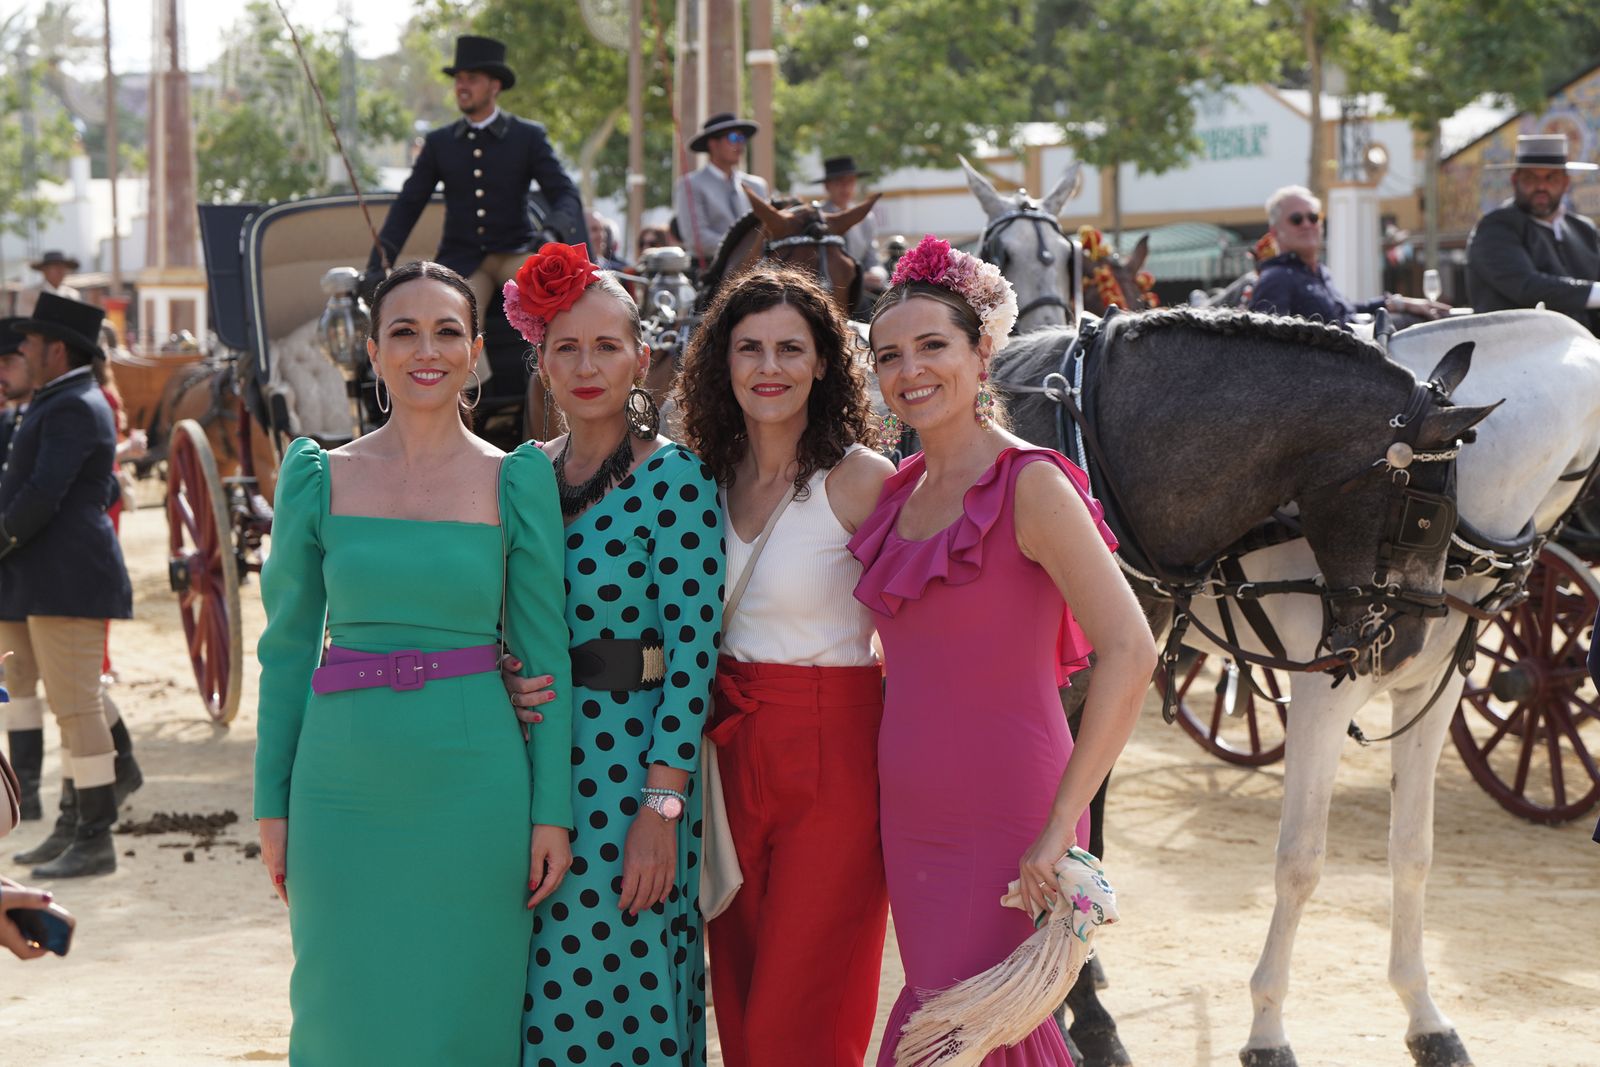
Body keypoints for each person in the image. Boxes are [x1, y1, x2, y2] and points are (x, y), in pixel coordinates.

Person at [253, 261, 573, 1063]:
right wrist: (271, 801)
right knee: (338, 1009)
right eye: (403, 331)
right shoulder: (318, 477)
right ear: (371, 350)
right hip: (339, 788)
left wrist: (551, 812)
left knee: (466, 1010)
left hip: (477, 790)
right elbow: (287, 652)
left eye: (446, 331)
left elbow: (545, 656)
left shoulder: (517, 479)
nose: (425, 350)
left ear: (475, 352)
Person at [855, 236, 1156, 1065]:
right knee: (956, 1019)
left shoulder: (1033, 483)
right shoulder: (890, 494)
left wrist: (1063, 824)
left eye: (932, 346)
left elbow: (1131, 648)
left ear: (980, 352)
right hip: (911, 814)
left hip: (1012, 811)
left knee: (979, 1025)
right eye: (889, 354)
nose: (910, 369)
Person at [496, 242, 723, 1065]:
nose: (586, 365)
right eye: (566, 347)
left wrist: (661, 809)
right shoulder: (519, 475)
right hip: (525, 764)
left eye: (605, 345)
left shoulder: (677, 480)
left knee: (617, 983)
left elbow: (694, 655)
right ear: (542, 361)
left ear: (642, 357)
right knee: (529, 988)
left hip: (631, 769)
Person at [671, 265, 895, 1066]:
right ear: (720, 363)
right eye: (749, 348)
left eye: (790, 349)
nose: (769, 368)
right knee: (737, 993)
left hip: (834, 750)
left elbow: (924, 631)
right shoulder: (699, 480)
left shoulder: (863, 480)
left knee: (800, 1008)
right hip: (726, 747)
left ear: (825, 363)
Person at [0, 295, 136, 879]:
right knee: (71, 700)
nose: (20, 355)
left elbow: (42, 495)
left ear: (56, 350)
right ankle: (74, 819)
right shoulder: (57, 400)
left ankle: (94, 836)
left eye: (28, 346)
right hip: (47, 575)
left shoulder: (74, 405)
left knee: (77, 706)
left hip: (69, 575)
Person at [365, 35, 584, 350]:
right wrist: (379, 262)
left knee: (557, 308)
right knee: (448, 318)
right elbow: (409, 204)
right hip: (463, 257)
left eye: (472, 79)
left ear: (495, 86)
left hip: (516, 250)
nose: (461, 86)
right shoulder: (441, 142)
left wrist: (551, 232)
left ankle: (548, 389)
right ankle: (469, 394)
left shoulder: (527, 136)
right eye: (458, 79)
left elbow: (565, 192)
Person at [1248, 185, 1446, 325]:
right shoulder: (1276, 279)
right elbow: (1264, 353)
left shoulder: (1318, 272)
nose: (1307, 224)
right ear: (1274, 231)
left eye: (1313, 217)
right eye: (1296, 219)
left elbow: (1343, 312)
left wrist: (1401, 303)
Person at [1467, 133, 1600, 333]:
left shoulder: (1583, 230)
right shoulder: (1495, 227)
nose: (1541, 186)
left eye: (1551, 178)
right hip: (1513, 352)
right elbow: (1528, 287)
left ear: (1565, 183)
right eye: (1530, 178)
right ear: (1515, 180)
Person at [673, 112, 770, 264]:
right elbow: (697, 239)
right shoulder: (691, 185)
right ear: (713, 144)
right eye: (733, 138)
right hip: (711, 272)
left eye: (742, 138)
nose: (740, 145)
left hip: (756, 268)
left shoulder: (757, 186)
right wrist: (743, 247)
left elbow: (766, 229)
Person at [13, 251, 82, 318]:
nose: (60, 271)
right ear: (45, 270)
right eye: (56, 267)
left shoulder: (73, 294)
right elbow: (26, 321)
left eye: (63, 267)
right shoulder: (29, 294)